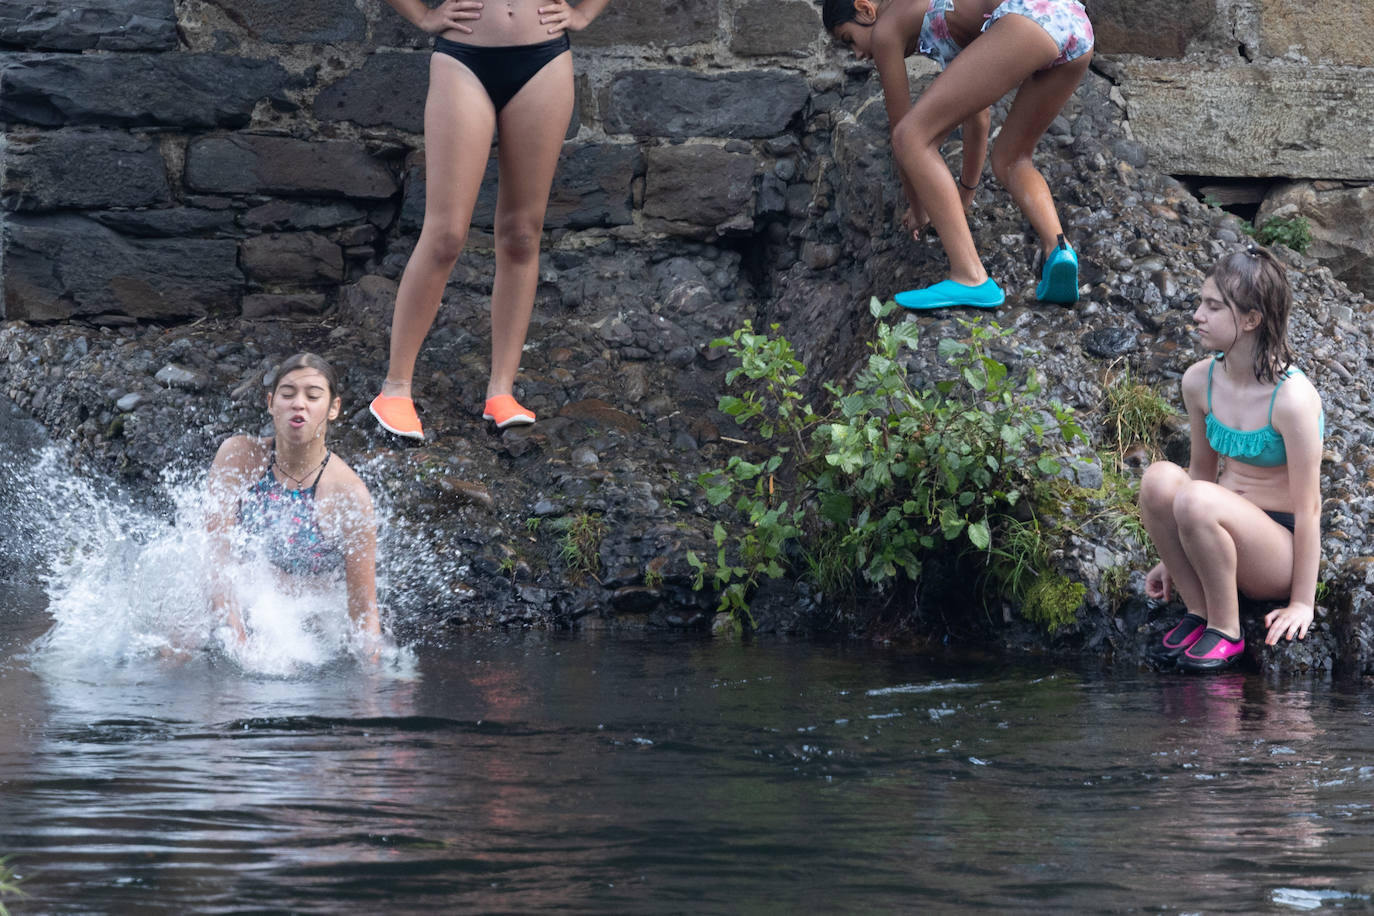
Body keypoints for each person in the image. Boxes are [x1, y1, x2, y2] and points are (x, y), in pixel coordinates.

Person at [367, 0, 612, 438]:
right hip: (464, 58)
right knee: (445, 234)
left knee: (521, 234)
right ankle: (396, 388)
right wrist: (423, 17)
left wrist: (584, 14)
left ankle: (501, 390)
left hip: (544, 59)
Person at [821, 0, 1093, 309]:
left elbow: (903, 132)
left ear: (865, 9)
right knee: (1013, 159)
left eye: (849, 39)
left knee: (911, 136)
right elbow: (978, 118)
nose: (857, 54)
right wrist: (965, 194)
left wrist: (918, 209)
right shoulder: (944, 21)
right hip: (1073, 24)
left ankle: (970, 275)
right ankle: (1058, 250)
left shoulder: (886, 28)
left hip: (1029, 17)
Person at [1138, 246, 1324, 672]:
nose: (1197, 315)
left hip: (1277, 549)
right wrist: (1174, 556)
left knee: (1197, 499)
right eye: (1201, 302)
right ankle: (1199, 610)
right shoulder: (1199, 380)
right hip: (1215, 527)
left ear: (1251, 319)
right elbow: (1199, 473)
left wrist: (1301, 603)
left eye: (1213, 306)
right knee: (1159, 479)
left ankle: (1228, 630)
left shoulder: (1292, 399)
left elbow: (1310, 508)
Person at [206, 353, 382, 648]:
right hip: (237, 604)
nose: (299, 403)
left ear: (333, 408)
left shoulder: (349, 494)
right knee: (177, 642)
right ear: (271, 403)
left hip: (304, 626)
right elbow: (215, 558)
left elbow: (364, 610)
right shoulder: (239, 457)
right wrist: (236, 640)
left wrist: (373, 684)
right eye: (288, 394)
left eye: (313, 396)